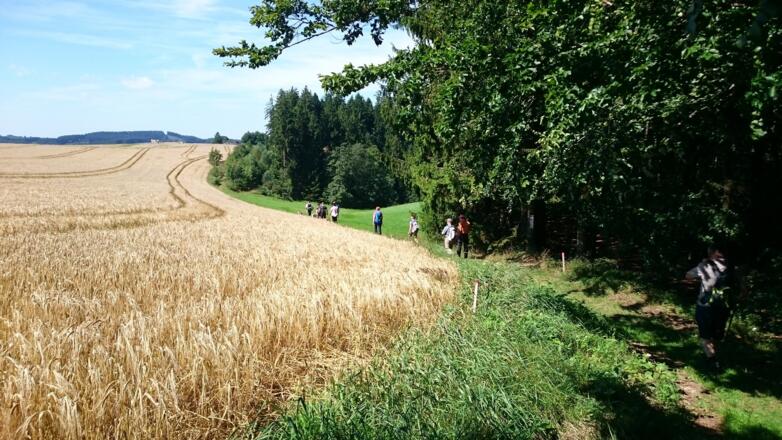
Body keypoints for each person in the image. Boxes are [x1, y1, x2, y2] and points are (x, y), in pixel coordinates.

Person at [685, 245, 732, 371]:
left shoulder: (705, 266)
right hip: (723, 307)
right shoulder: (731, 268)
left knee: (705, 336)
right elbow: (743, 290)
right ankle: (716, 356)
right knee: (717, 335)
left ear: (711, 254)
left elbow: (688, 275)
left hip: (705, 306)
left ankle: (713, 361)